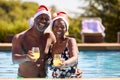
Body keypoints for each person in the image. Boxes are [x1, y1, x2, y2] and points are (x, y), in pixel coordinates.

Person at [12, 5, 82, 78]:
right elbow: (14, 60)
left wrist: (75, 68)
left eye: (47, 19)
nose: (43, 21)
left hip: (45, 78)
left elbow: (62, 54)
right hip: (25, 78)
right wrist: (26, 57)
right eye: (40, 18)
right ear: (35, 18)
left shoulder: (50, 37)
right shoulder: (20, 37)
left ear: (49, 22)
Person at [47, 11, 80, 78]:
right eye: (56, 26)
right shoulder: (51, 46)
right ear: (52, 28)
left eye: (62, 27)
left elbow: (75, 58)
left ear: (66, 29)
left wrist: (64, 63)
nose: (59, 29)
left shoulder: (70, 41)